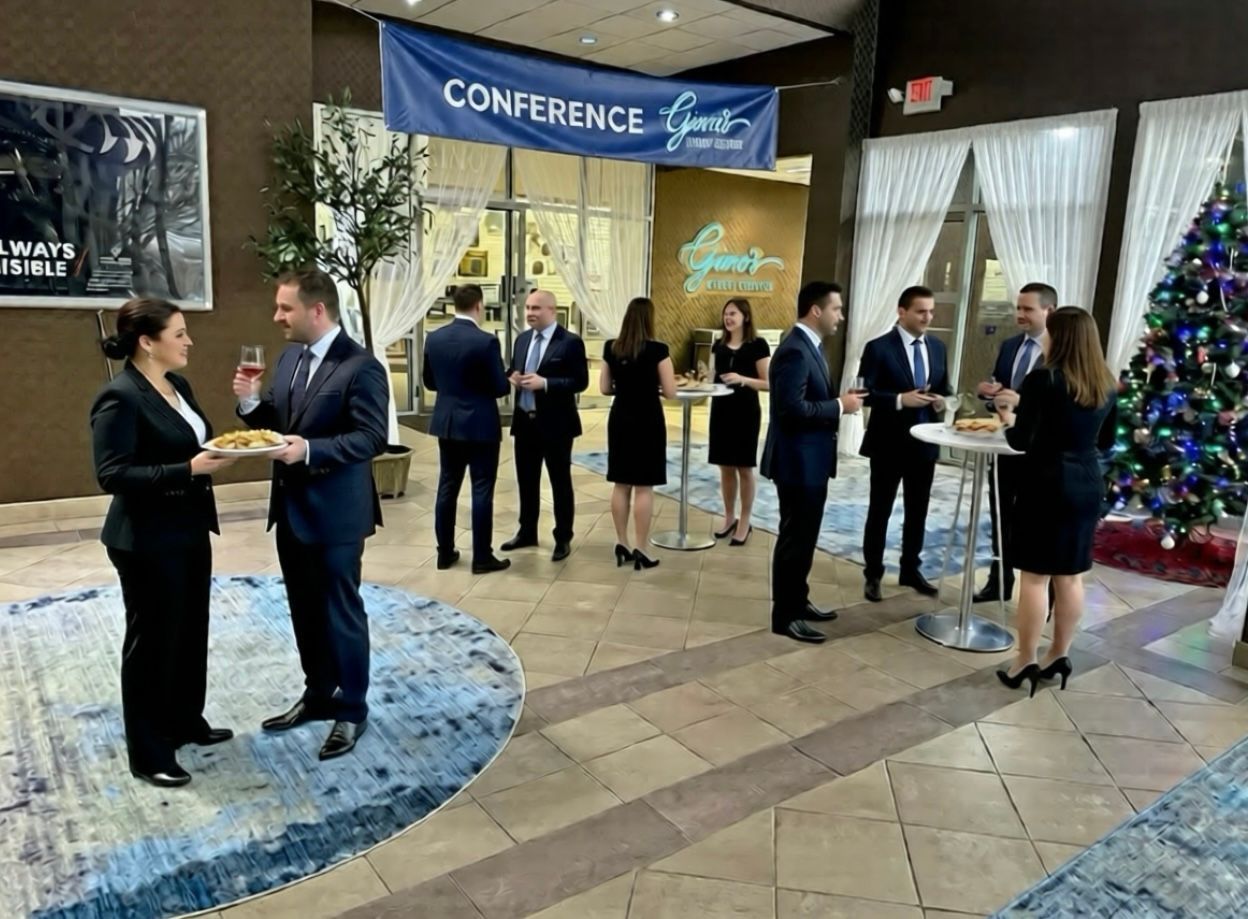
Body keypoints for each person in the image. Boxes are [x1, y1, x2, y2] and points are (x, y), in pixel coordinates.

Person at [233, 269, 389, 760]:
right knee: (302, 609)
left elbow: (371, 438)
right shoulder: (288, 357)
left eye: (285, 308)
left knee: (341, 613)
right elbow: (276, 422)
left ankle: (353, 709)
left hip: (338, 515)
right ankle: (319, 694)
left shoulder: (361, 367)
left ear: (316, 310)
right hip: (291, 510)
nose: (277, 316)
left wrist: (310, 451)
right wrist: (249, 402)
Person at [92, 298, 236, 787]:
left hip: (191, 527)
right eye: (179, 333)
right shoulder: (120, 397)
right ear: (147, 343)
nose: (189, 340)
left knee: (190, 630)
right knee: (152, 643)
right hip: (146, 538)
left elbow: (194, 443)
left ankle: (184, 722)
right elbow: (112, 474)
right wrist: (188, 469)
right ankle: (149, 751)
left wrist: (213, 456)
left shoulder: (178, 384)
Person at [994, 306, 1117, 696]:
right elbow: (1106, 442)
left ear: (1059, 337)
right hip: (1086, 484)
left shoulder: (1043, 379)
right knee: (1071, 575)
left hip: (1045, 484)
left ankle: (1024, 660)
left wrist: (1008, 416)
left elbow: (1021, 440)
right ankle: (1059, 654)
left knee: (1034, 576)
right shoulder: (1107, 384)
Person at [761, 281, 862, 644]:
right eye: (836, 308)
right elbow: (791, 411)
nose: (841, 316)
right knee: (794, 539)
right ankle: (785, 616)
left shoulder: (810, 347)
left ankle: (798, 602)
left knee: (805, 538)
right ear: (816, 310)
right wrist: (839, 406)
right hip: (796, 462)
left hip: (811, 461)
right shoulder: (795, 350)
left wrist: (837, 402)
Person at [859, 285, 951, 603]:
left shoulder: (938, 347)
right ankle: (873, 574)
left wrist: (941, 401)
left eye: (931, 311)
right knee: (880, 511)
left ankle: (910, 569)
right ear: (902, 312)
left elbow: (945, 388)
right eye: (921, 311)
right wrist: (900, 399)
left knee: (918, 511)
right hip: (887, 444)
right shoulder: (878, 348)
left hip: (925, 445)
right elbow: (864, 393)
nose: (928, 317)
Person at [975, 282, 1058, 605]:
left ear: (1048, 311)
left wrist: (1020, 401)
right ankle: (999, 580)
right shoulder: (1010, 346)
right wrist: (990, 393)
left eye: (1027, 309)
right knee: (1000, 516)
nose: (1019, 314)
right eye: (1018, 308)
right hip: (1005, 447)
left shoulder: (1060, 352)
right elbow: (1001, 394)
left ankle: (1042, 594)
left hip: (1041, 453)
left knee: (1037, 525)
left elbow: (1058, 403)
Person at [422, 283, 512, 574]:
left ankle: (445, 553)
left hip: (447, 423)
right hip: (480, 425)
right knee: (481, 489)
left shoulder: (433, 338)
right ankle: (482, 557)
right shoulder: (486, 341)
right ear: (478, 306)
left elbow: (430, 382)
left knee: (447, 486)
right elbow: (499, 387)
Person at [502, 289, 589, 562]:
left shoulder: (570, 343)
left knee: (559, 482)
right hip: (524, 423)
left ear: (553, 310)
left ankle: (563, 536)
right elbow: (514, 369)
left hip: (557, 426)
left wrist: (546, 383)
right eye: (528, 307)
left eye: (537, 308)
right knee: (526, 481)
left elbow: (580, 382)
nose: (530, 313)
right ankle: (527, 530)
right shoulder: (522, 340)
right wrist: (512, 377)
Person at [601, 297, 677, 571]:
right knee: (644, 485)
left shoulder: (612, 348)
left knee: (621, 483)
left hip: (620, 417)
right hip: (648, 420)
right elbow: (670, 392)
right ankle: (641, 548)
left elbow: (604, 388)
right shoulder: (659, 350)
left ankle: (621, 542)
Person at [709, 298, 771, 547]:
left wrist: (742, 379)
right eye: (725, 314)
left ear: (745, 316)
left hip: (746, 412)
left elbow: (769, 383)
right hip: (721, 411)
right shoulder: (718, 345)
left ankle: (745, 520)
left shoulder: (758, 345)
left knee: (744, 468)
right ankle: (729, 517)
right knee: (724, 467)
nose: (728, 318)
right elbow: (712, 378)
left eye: (733, 313)